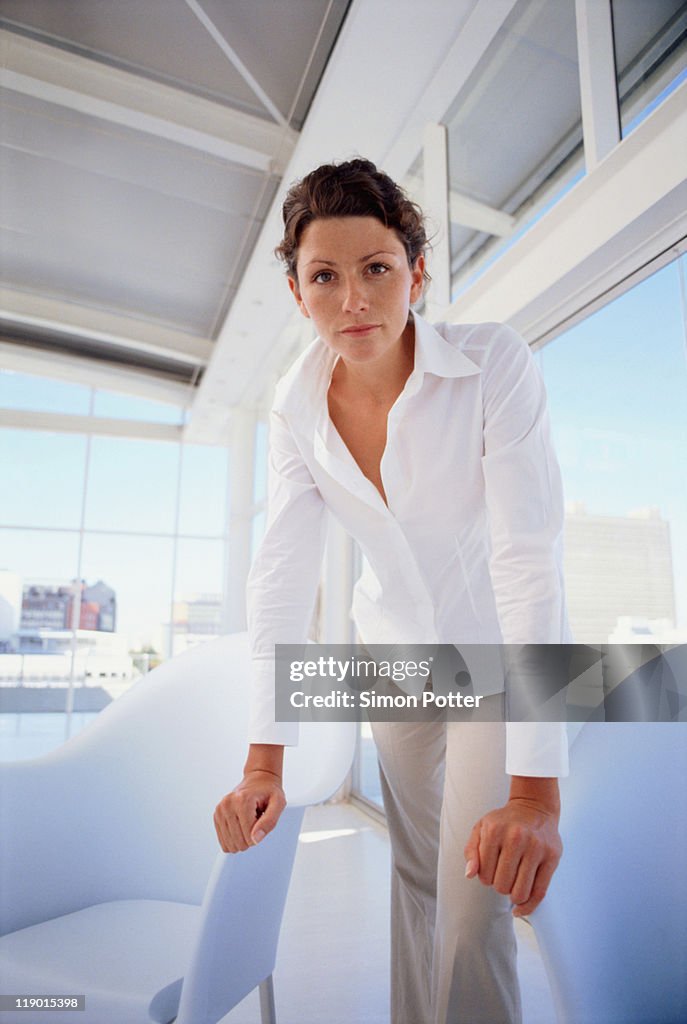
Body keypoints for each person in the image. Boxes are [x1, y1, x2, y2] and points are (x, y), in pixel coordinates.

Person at [213, 158, 570, 1024]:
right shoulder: (293, 407)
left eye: (376, 268)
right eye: (323, 277)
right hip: (395, 660)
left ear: (416, 273)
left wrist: (534, 796)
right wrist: (265, 763)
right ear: (298, 295)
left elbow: (529, 558)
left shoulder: (493, 365)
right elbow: (282, 574)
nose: (353, 299)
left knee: (472, 901)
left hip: (491, 657)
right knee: (415, 882)